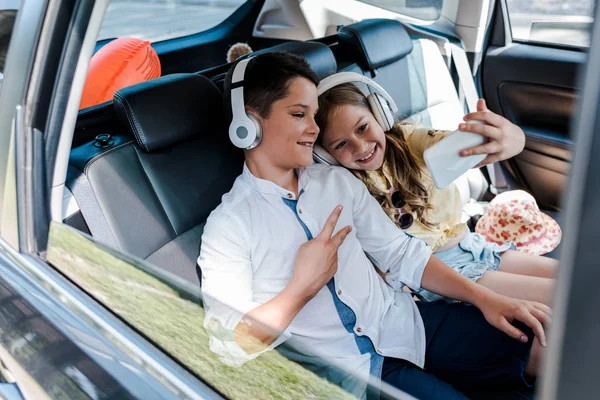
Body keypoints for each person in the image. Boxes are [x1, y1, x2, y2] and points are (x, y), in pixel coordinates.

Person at [198, 52, 550, 400]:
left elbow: (401, 254)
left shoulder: (336, 181)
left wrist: (488, 300)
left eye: (314, 116)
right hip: (349, 375)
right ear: (250, 123)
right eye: (298, 114)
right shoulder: (229, 227)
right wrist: (301, 289)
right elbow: (228, 345)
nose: (314, 128)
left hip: (408, 324)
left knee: (545, 346)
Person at [314, 77, 558, 305]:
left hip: (472, 245)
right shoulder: (346, 186)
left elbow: (460, 151)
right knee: (561, 297)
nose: (360, 146)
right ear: (326, 156)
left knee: (574, 280)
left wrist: (507, 138)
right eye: (341, 144)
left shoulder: (410, 140)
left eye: (362, 128)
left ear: (379, 114)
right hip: (437, 274)